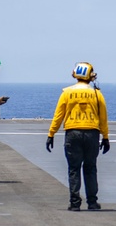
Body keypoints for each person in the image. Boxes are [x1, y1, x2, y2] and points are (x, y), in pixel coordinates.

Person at [46, 62, 110, 211]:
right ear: (90, 75)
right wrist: (105, 137)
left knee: (74, 168)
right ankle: (92, 202)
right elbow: (103, 118)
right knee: (90, 168)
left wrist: (51, 134)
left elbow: (58, 116)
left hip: (72, 134)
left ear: (75, 74)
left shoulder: (67, 93)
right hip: (92, 133)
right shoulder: (97, 93)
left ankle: (75, 203)